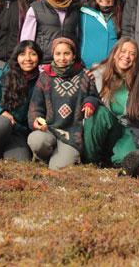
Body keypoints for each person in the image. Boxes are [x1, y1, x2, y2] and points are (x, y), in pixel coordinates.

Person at [27, 38, 98, 170]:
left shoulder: (84, 75)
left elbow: (93, 96)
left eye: (67, 53)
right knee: (35, 140)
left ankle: (59, 157)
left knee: (57, 169)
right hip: (48, 129)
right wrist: (36, 120)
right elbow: (35, 106)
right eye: (58, 54)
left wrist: (89, 103)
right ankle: (45, 157)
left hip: (72, 134)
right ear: (53, 55)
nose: (62, 58)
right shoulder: (45, 77)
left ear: (74, 55)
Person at [82, 37, 139, 166]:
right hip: (106, 126)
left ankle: (110, 160)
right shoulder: (97, 74)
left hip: (128, 129)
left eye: (132, 54)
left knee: (125, 160)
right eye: (123, 51)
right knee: (99, 113)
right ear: (114, 54)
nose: (127, 56)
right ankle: (90, 161)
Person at [20, 0, 81, 64]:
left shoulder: (74, 10)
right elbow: (27, 41)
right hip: (43, 65)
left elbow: (78, 37)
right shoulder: (36, 8)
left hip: (68, 64)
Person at [78, 0, 125, 68]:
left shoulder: (122, 15)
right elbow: (65, 0)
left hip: (112, 70)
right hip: (85, 70)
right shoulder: (83, 13)